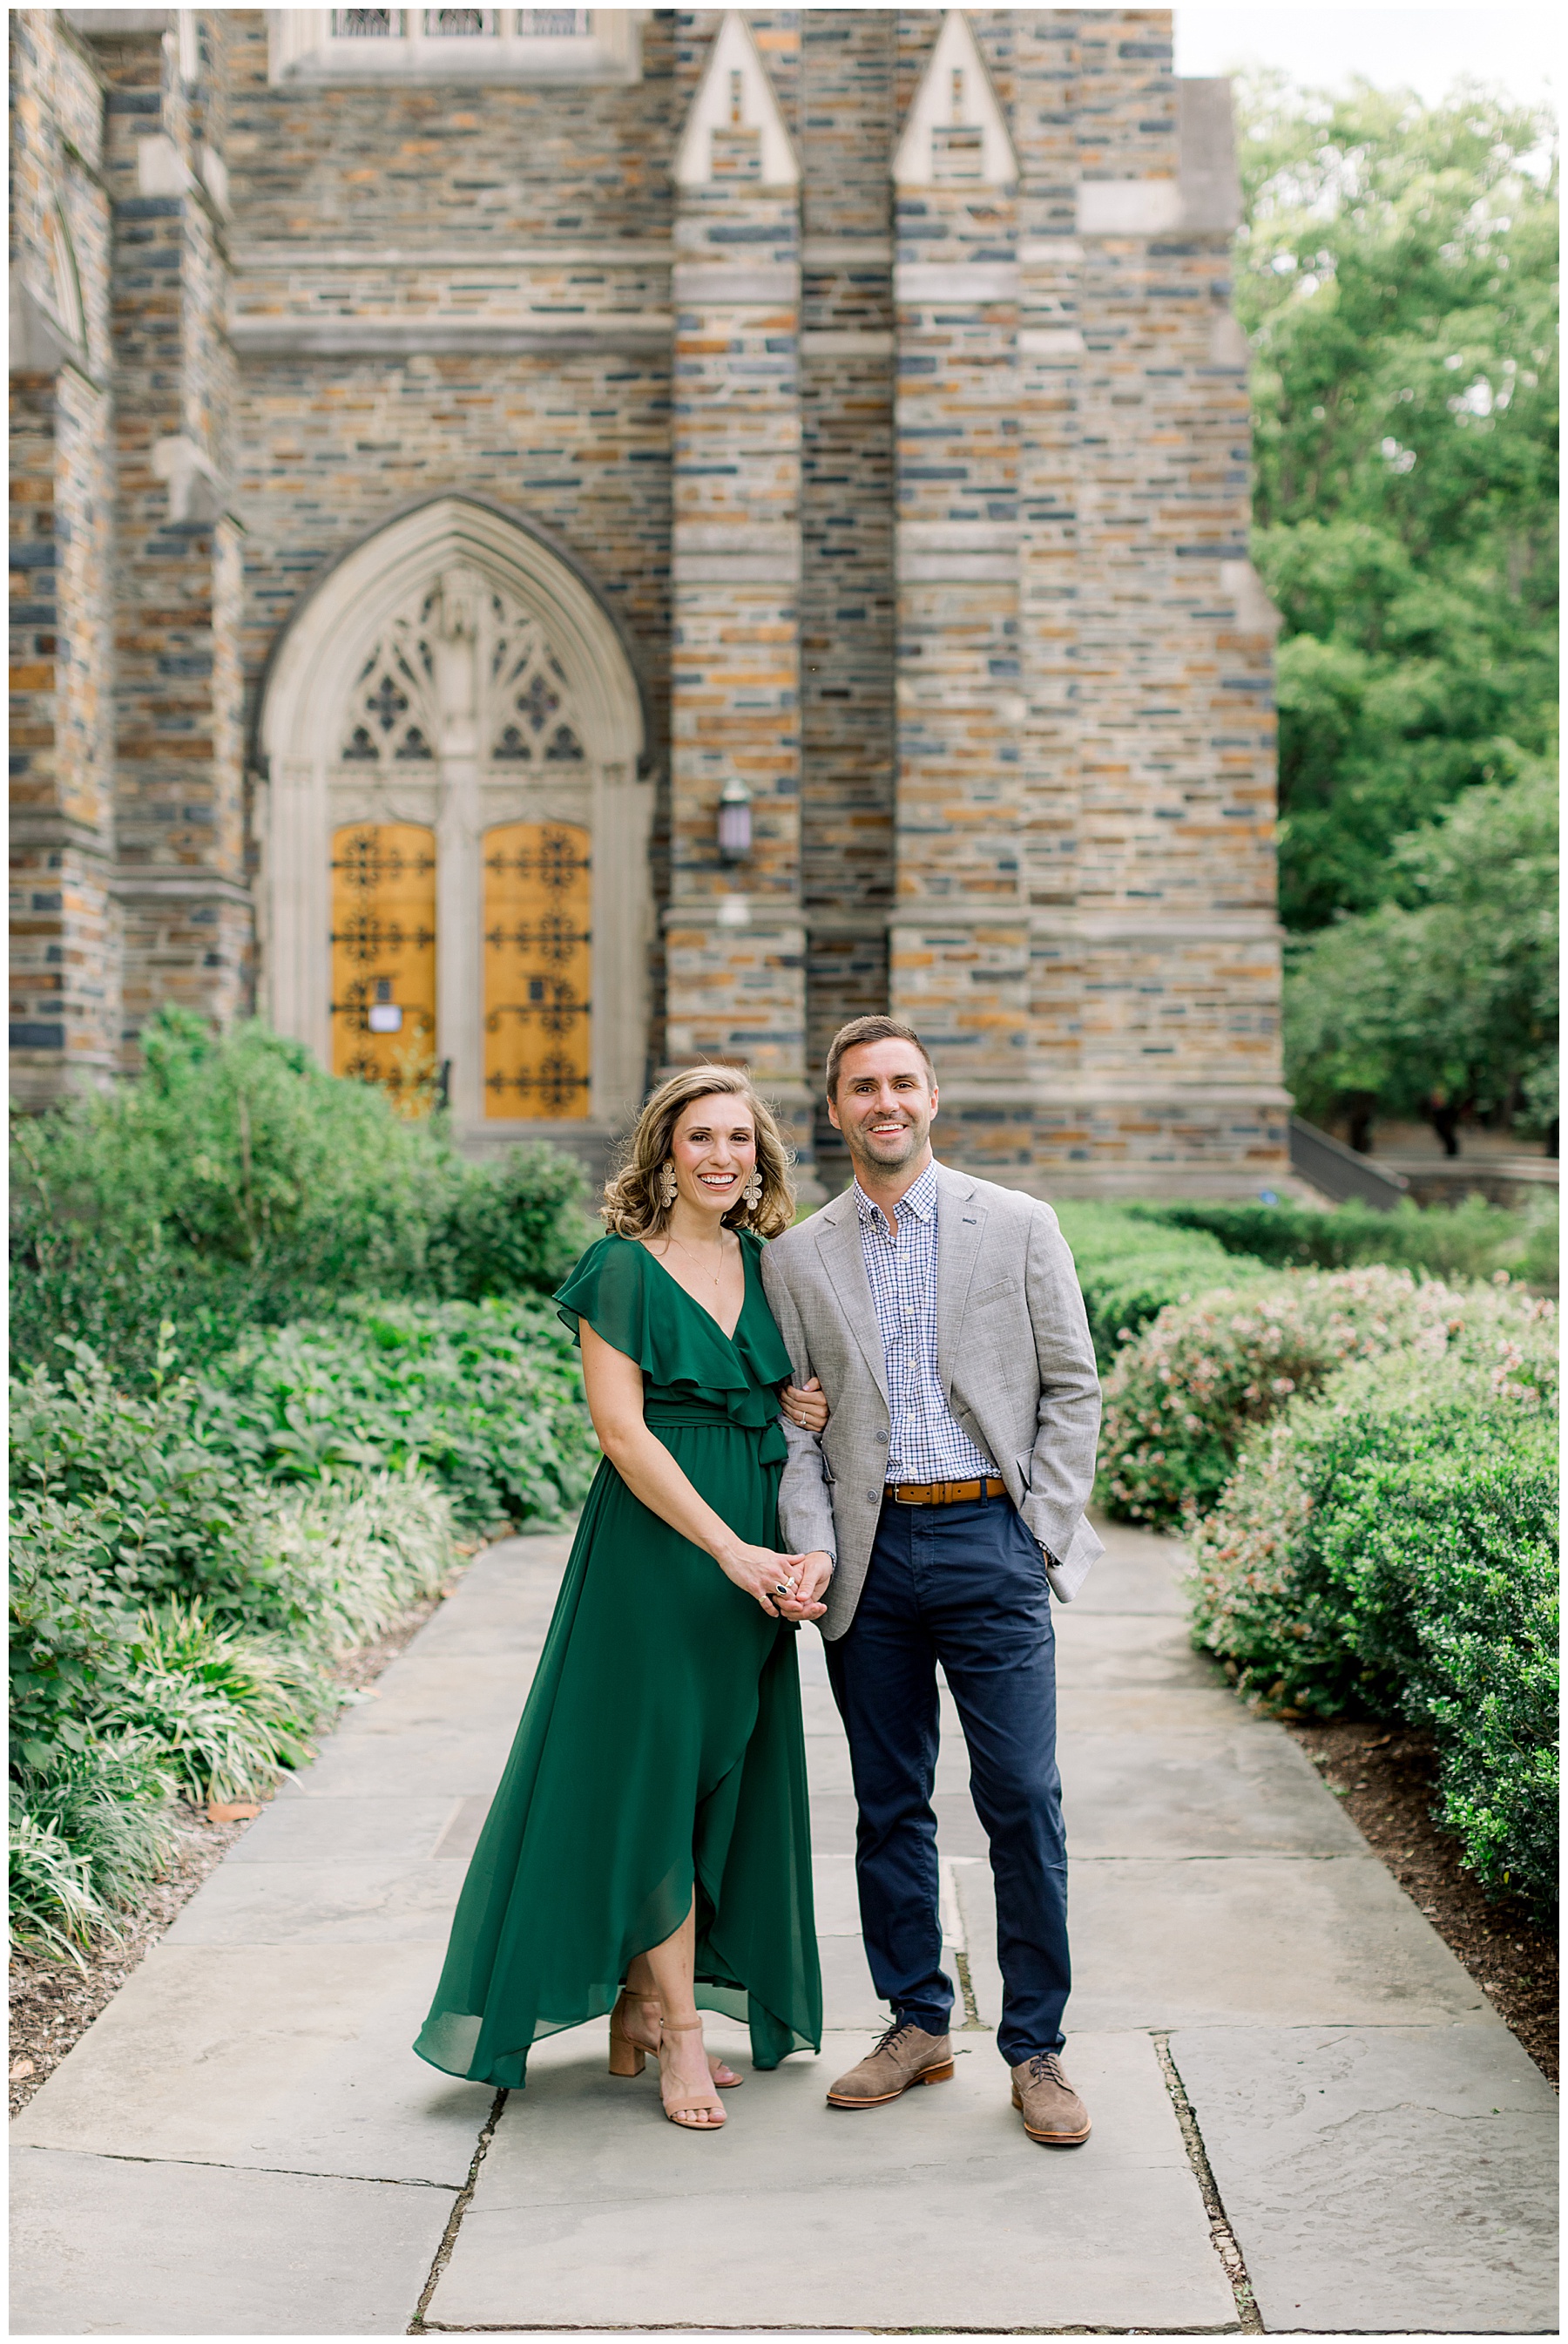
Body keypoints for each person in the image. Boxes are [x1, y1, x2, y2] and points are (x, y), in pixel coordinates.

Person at [414, 1067, 833, 2131]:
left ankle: (642, 2006)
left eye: (740, 1138)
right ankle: (680, 2038)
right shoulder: (621, 1269)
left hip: (753, 1556)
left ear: (760, 1156)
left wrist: (797, 1408)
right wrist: (731, 1549)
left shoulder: (769, 1264)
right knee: (652, 1780)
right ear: (663, 1152)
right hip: (662, 1551)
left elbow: (778, 1397)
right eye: (700, 1137)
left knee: (715, 1779)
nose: (722, 1156)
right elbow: (623, 1430)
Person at [760, 1015, 1104, 2148]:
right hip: (871, 1563)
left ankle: (1038, 2046)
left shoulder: (1016, 1224)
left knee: (1022, 1796)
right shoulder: (796, 1255)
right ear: (837, 1107)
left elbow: (1072, 1386)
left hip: (989, 1543)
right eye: (863, 1086)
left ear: (933, 1096)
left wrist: (1041, 1528)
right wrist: (812, 1543)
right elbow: (795, 1427)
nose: (885, 1101)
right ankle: (917, 2020)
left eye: (902, 1081)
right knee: (887, 1800)